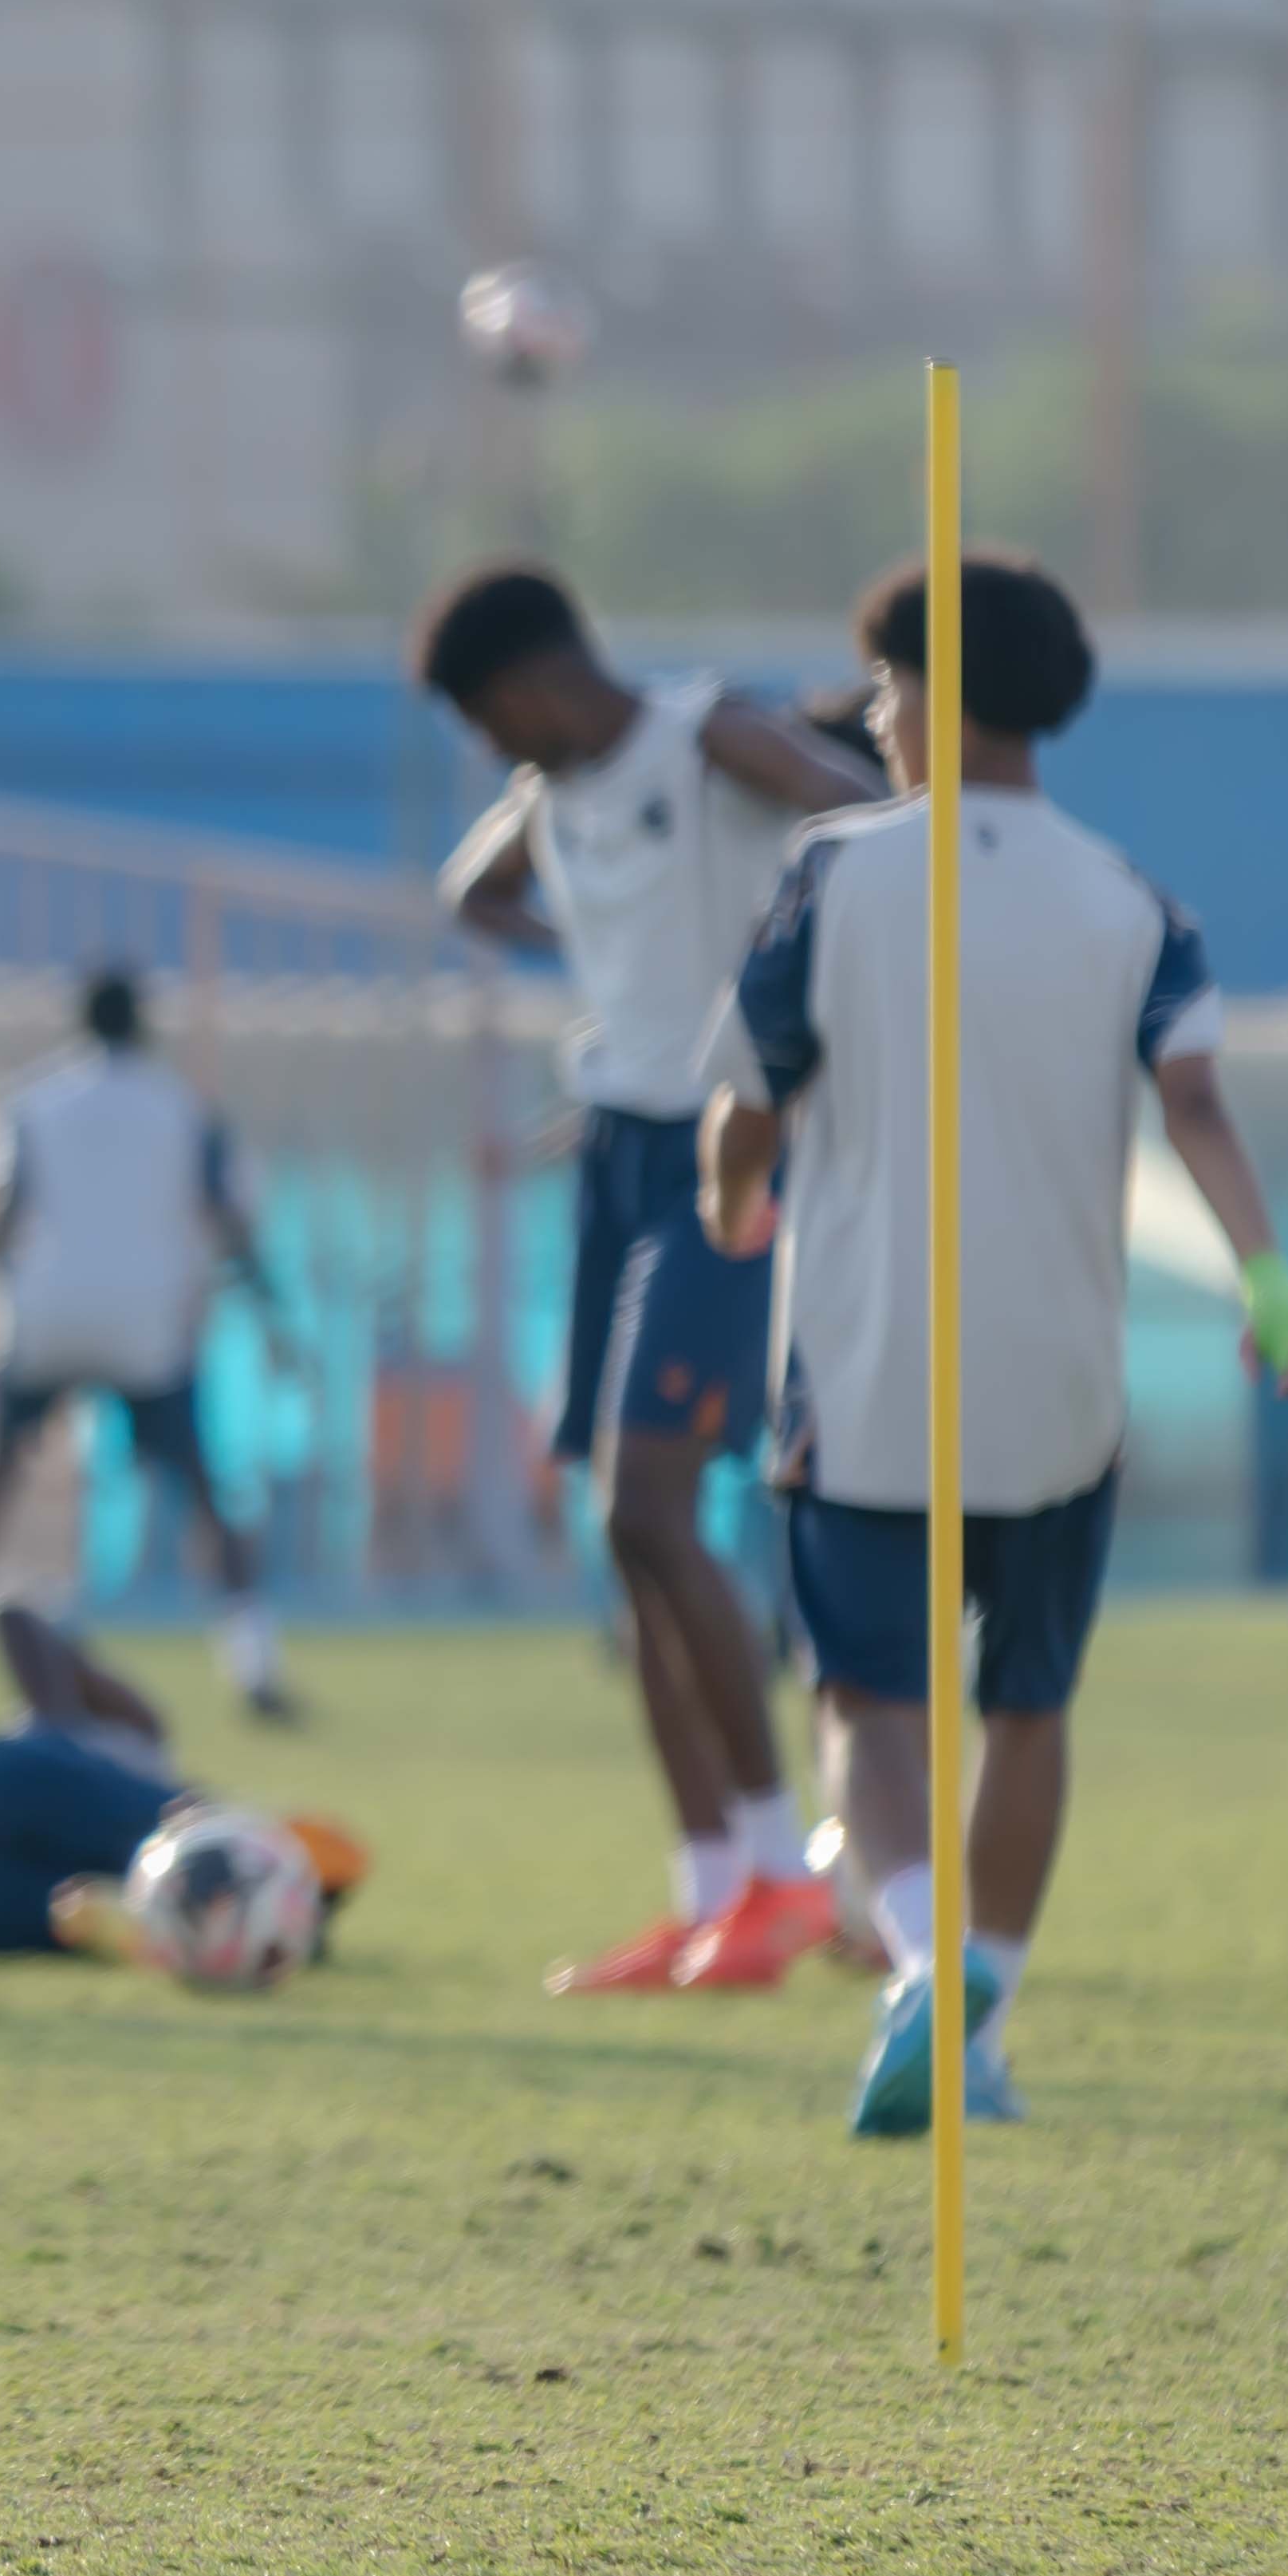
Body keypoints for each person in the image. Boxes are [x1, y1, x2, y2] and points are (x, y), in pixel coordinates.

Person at [699, 550, 1288, 2136]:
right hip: (1057, 1387)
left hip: (861, 1370)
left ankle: (917, 1960)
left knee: (861, 1701)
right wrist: (1265, 1281)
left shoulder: (830, 870)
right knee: (1025, 1705)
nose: (879, 719)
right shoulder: (1129, 898)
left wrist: (726, 1194)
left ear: (935, 693)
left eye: (892, 689)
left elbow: (747, 1100)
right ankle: (976, 2012)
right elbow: (1194, 1103)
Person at [416, 562, 876, 1989]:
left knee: (655, 1503)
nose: (493, 752)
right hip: (616, 1146)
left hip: (722, 1152)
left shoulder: (704, 734)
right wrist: (593, 961)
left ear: (538, 682)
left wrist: (790, 966)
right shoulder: (552, 799)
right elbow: (468, 891)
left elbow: (867, 828)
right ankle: (707, 1892)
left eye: (491, 720)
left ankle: (775, 1876)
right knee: (624, 1530)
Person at [0, 968, 293, 1722]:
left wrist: (1, 1295)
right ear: (144, 1026)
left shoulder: (35, 1102)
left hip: (49, 1313)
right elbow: (232, 1217)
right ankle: (253, 1666)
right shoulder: (185, 1109)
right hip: (146, 1325)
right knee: (205, 1492)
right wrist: (271, 1314)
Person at [0, 1601, 364, 1963]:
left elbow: (13, 1619)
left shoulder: (119, 1747)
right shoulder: (130, 1741)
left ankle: (227, 1886)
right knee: (107, 1885)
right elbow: (11, 1619)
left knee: (91, 1896)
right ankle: (230, 1895)